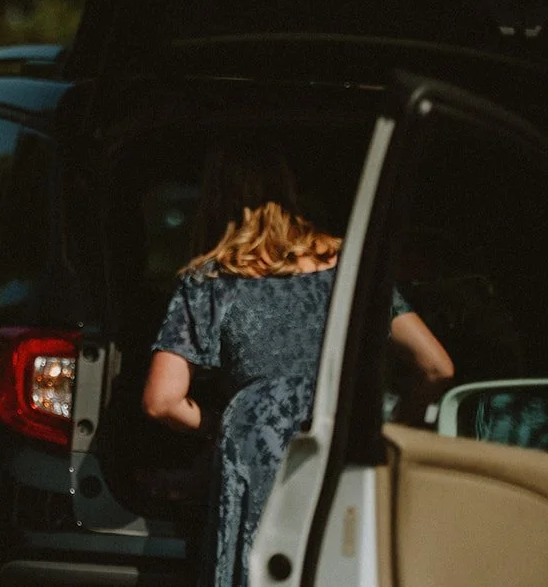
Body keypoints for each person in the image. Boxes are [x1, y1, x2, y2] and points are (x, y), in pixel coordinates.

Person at [141, 142, 452, 587]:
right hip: (345, 446)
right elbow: (437, 366)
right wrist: (393, 426)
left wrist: (223, 424)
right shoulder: (352, 268)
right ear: (288, 191)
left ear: (215, 198)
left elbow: (161, 402)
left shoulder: (207, 282)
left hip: (256, 457)